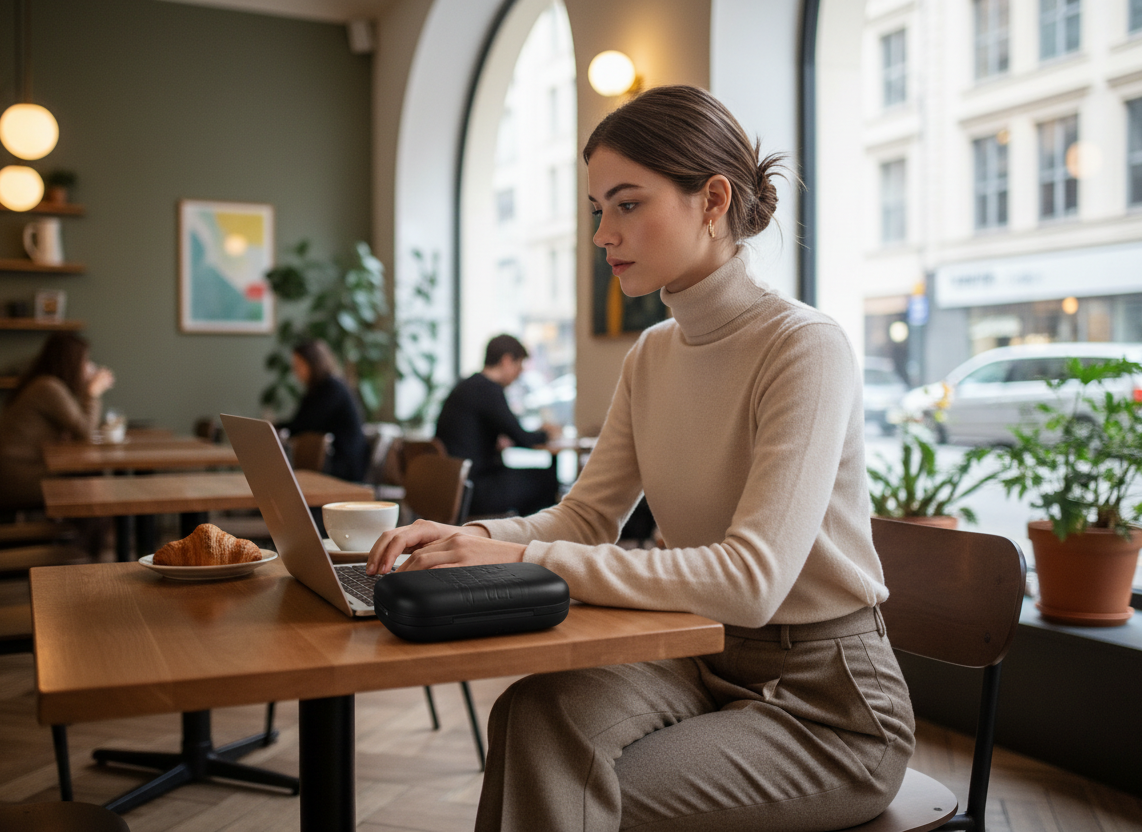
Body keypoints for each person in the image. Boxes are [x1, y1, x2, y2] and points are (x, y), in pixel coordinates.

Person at [368, 86, 915, 832]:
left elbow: (751, 581)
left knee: (573, 788)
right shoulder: (653, 353)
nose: (602, 233)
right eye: (599, 209)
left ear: (712, 200)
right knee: (533, 716)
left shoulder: (803, 346)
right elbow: (588, 515)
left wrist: (535, 563)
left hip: (828, 703)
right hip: (701, 655)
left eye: (627, 204)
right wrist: (479, 541)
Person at [434, 334, 561, 517]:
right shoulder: (489, 389)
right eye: (519, 365)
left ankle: (520, 534)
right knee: (546, 479)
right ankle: (531, 537)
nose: (520, 373)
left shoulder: (467, 385)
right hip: (474, 490)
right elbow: (522, 437)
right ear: (507, 360)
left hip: (452, 486)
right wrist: (547, 433)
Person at [0, 332, 115, 512]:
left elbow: (79, 432)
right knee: (92, 486)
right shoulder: (48, 387)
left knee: (91, 479)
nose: (90, 367)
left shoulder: (45, 385)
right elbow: (86, 432)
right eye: (85, 361)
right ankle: (85, 539)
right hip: (18, 481)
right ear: (70, 363)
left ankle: (82, 538)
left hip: (15, 475)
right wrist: (92, 393)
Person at [278, 339, 369, 482]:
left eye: (299, 365)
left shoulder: (332, 388)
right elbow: (300, 423)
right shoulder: (316, 389)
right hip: (329, 460)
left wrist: (273, 427)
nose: (295, 371)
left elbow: (304, 424)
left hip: (343, 464)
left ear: (313, 364)